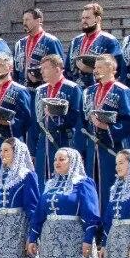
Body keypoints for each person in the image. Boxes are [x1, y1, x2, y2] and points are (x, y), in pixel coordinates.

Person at [81, 54, 130, 202]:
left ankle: (110, 221)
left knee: (110, 184)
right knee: (91, 185)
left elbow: (129, 121)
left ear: (112, 68)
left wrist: (107, 127)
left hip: (112, 146)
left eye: (100, 67)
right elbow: (83, 120)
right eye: (95, 67)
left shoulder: (122, 91)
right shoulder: (89, 91)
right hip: (92, 148)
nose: (95, 70)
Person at [30, 53, 84, 183]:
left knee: (64, 179)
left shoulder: (72, 88)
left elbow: (77, 119)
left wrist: (57, 119)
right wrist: (32, 149)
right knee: (42, 180)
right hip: (43, 142)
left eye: (45, 68)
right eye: (41, 68)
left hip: (64, 139)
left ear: (57, 69)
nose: (41, 71)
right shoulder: (40, 90)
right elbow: (34, 121)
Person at [0, 52, 33, 177]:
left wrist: (8, 123)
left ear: (10, 68)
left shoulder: (20, 90)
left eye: (1, 65)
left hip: (10, 141)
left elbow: (26, 119)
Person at [67, 2, 123, 88]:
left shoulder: (110, 41)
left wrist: (90, 70)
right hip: (76, 90)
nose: (84, 21)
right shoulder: (75, 41)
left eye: (88, 18)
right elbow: (67, 69)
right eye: (83, 18)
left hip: (98, 90)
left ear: (98, 19)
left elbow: (116, 70)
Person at [13, 8, 65, 88]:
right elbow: (15, 70)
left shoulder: (51, 42)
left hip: (44, 90)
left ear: (38, 21)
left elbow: (59, 68)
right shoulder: (20, 43)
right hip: (22, 90)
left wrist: (40, 78)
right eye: (23, 20)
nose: (24, 23)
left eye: (27, 20)